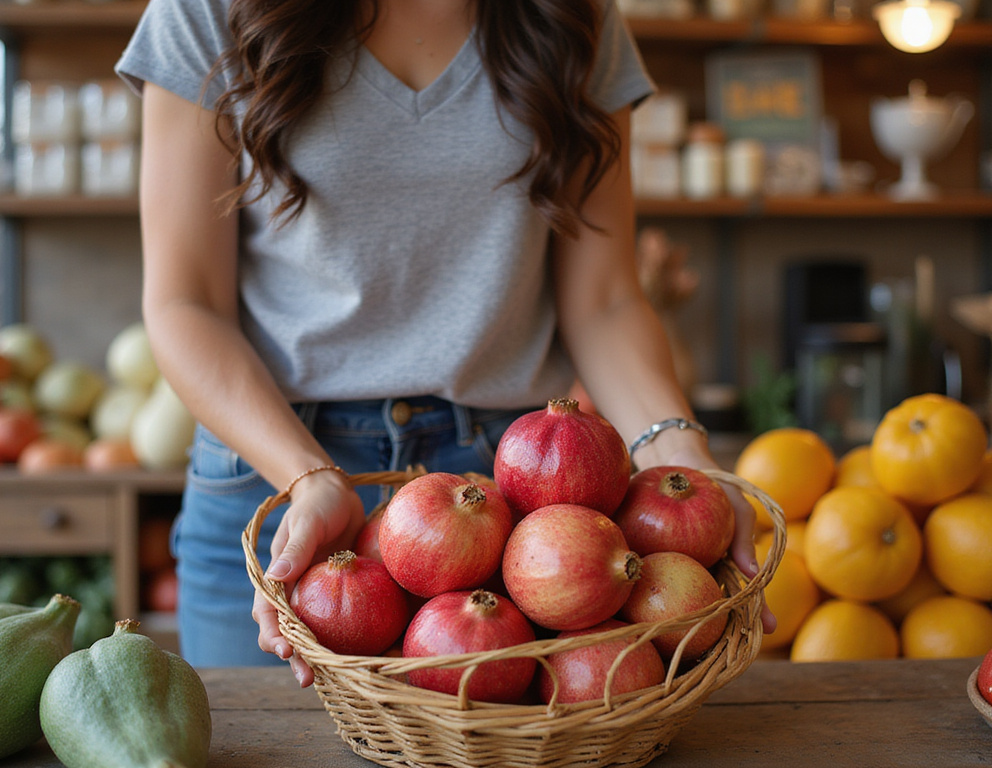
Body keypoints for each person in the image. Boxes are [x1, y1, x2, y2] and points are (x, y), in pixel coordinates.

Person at [116, 0, 773, 684]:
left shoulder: (578, 15)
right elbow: (184, 303)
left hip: (507, 495)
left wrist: (680, 453)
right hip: (278, 484)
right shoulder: (203, 10)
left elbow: (605, 300)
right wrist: (306, 477)